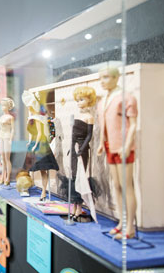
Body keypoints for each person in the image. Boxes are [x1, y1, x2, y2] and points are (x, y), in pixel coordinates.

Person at [96, 68, 138, 239]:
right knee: (117, 186)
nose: (103, 81)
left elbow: (134, 124)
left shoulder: (126, 97)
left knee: (127, 186)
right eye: (101, 78)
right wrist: (100, 143)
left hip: (123, 147)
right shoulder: (103, 100)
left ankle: (130, 227)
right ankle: (122, 222)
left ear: (116, 78)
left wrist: (127, 145)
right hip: (109, 146)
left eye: (106, 77)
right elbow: (103, 124)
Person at [21, 90, 59, 201]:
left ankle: (43, 191)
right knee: (29, 168)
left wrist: (35, 144)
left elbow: (40, 134)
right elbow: (33, 133)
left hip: (40, 145)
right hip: (33, 144)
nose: (29, 108)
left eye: (30, 106)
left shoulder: (38, 119)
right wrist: (31, 142)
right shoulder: (32, 118)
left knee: (43, 169)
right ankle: (26, 188)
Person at [68, 86, 97, 221]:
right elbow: (73, 134)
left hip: (82, 150)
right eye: (77, 100)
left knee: (80, 177)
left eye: (81, 99)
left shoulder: (89, 117)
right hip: (73, 149)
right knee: (73, 177)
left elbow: (89, 135)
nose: (79, 102)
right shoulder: (76, 115)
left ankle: (79, 208)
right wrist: (71, 148)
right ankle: (74, 206)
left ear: (89, 100)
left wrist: (82, 149)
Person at [0, 97, 15, 185]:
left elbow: (13, 129)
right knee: (3, 158)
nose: (2, 107)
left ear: (8, 106)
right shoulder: (2, 116)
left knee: (7, 158)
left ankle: (8, 178)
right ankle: (2, 177)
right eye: (2, 105)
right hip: (1, 137)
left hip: (7, 137)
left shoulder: (10, 117)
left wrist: (11, 139)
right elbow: (0, 129)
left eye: (4, 105)